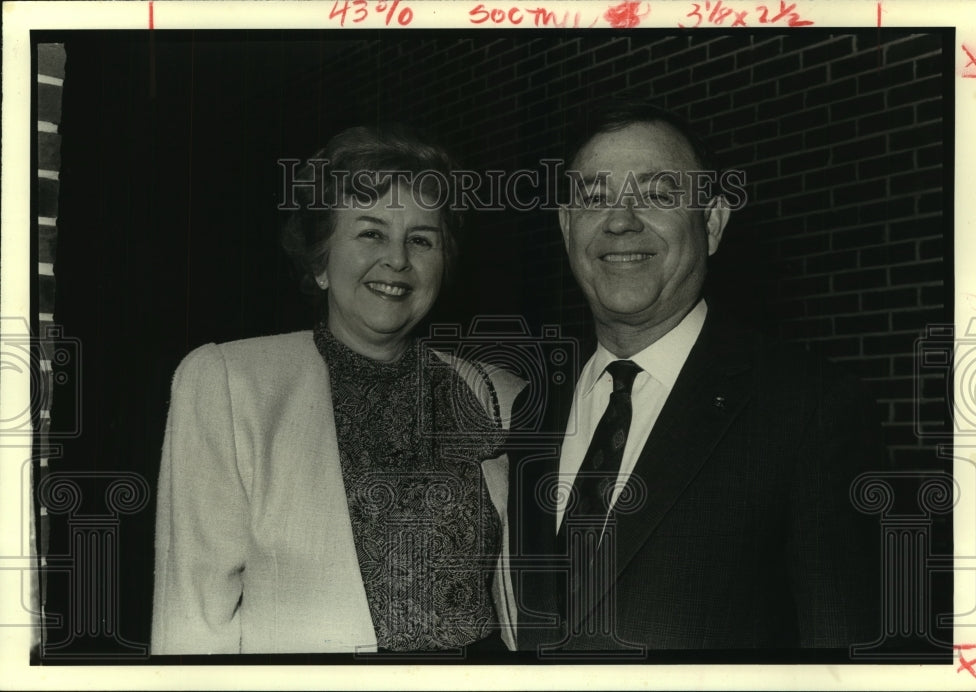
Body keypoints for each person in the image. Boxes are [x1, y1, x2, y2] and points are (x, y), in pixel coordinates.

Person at [508, 101, 883, 652]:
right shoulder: (530, 411)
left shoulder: (808, 408)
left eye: (658, 195)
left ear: (711, 222)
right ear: (566, 227)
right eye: (594, 198)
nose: (619, 221)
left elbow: (842, 658)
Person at [151, 125, 523, 654]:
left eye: (421, 239)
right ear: (320, 260)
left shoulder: (498, 395)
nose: (397, 260)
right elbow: (192, 618)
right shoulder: (231, 384)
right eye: (370, 233)